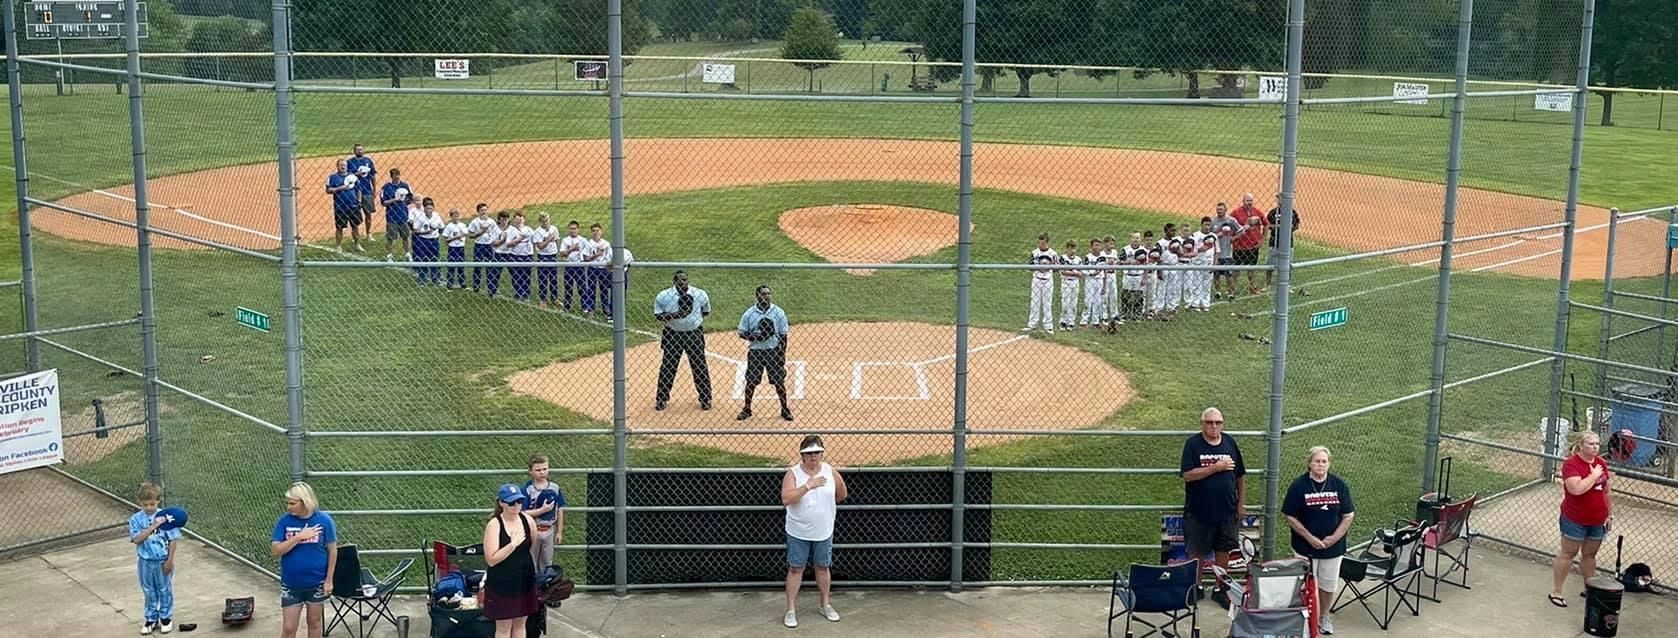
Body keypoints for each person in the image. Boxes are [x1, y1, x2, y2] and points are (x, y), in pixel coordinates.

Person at [1283, 446, 1354, 636]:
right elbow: (1290, 516)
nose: (1321, 465)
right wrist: (1310, 538)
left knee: (1328, 584)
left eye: (1324, 461)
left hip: (1333, 548)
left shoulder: (1339, 485)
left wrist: (1333, 538)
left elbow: (1348, 515)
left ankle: (1324, 617)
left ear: (1329, 464)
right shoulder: (1299, 486)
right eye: (1317, 461)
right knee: (1304, 584)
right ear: (1309, 464)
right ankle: (1305, 618)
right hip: (1305, 547)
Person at [1180, 407, 1246, 609]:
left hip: (1227, 510)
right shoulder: (1193, 444)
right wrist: (1214, 468)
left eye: (1218, 422)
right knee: (1196, 551)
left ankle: (1220, 589)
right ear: (1202, 424)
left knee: (1224, 549)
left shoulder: (1230, 443)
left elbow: (1240, 475)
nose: (1214, 426)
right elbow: (1188, 474)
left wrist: (1241, 503)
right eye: (1210, 422)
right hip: (1198, 510)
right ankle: (1196, 586)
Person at [781, 435, 848, 628]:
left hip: (824, 531)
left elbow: (842, 494)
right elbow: (786, 499)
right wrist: (807, 487)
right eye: (809, 453)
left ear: (822, 453)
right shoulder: (793, 474)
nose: (813, 457)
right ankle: (791, 609)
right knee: (795, 569)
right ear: (802, 455)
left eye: (817, 452)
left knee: (822, 567)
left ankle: (825, 604)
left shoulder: (830, 471)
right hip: (798, 531)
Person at [1550, 430, 1612, 608]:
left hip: (1597, 520)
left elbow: (1607, 491)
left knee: (1590, 555)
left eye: (1597, 444)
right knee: (1568, 554)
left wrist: (1609, 514)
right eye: (1591, 444)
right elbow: (1576, 489)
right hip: (1575, 519)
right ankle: (1557, 591)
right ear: (1581, 445)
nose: (1595, 447)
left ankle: (1589, 587)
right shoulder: (1571, 465)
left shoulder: (1601, 463)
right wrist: (1593, 476)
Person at [271, 482, 337, 638]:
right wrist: (299, 537)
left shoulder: (324, 520)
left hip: (317, 583)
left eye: (292, 503)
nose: (288, 507)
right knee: (289, 628)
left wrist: (329, 580)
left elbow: (332, 551)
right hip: (292, 584)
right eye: (287, 503)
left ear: (305, 501)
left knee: (314, 623)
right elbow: (275, 550)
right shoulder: (284, 522)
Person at [483, 484, 540, 637]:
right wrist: (512, 545)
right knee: (504, 627)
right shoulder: (494, 525)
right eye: (511, 503)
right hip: (502, 583)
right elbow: (491, 559)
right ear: (501, 503)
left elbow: (531, 545)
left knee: (521, 624)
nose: (516, 506)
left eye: (519, 502)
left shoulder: (527, 520)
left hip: (524, 579)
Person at [652, 271, 713, 411]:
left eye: (685, 280)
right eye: (679, 280)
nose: (683, 282)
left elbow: (705, 311)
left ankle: (706, 398)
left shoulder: (699, 294)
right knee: (668, 366)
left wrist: (691, 321)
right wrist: (677, 315)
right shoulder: (663, 296)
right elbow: (658, 316)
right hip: (672, 334)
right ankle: (661, 398)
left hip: (694, 334)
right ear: (674, 281)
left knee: (699, 366)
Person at [130, 481, 181, 635]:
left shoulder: (166, 518)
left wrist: (169, 560)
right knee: (148, 590)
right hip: (145, 561)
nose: (149, 508)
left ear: (158, 501)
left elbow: (173, 540)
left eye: (152, 504)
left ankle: (166, 617)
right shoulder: (136, 519)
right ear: (140, 503)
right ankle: (151, 618)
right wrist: (152, 527)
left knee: (164, 588)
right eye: (145, 505)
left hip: (162, 560)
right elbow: (137, 539)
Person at [737, 285, 794, 421]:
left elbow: (783, 335)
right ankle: (747, 408)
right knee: (751, 381)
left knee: (779, 382)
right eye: (763, 294)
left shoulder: (778, 312)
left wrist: (782, 354)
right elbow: (741, 332)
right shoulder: (749, 313)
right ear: (757, 295)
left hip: (773, 351)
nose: (766, 296)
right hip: (755, 352)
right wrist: (756, 337)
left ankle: (785, 409)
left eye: (768, 293)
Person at [521, 454, 567, 569]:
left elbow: (560, 509)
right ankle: (532, 586)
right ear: (530, 471)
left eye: (545, 469)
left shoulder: (554, 488)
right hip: (533, 529)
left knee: (547, 562)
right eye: (538, 470)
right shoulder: (527, 489)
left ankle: (545, 585)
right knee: (531, 562)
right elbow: (523, 512)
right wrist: (542, 510)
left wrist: (559, 531)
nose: (542, 472)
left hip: (549, 529)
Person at [1231, 193, 1268, 295]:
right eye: (1247, 201)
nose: (1249, 203)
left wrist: (1262, 240)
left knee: (1252, 269)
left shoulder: (1257, 212)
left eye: (1251, 201)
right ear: (1243, 201)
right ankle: (1232, 289)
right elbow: (1230, 225)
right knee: (1236, 270)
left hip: (1253, 246)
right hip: (1239, 246)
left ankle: (1253, 288)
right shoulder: (1236, 213)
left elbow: (1266, 224)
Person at [326, 159, 364, 253]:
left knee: (355, 226)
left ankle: (357, 244)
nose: (343, 167)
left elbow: (358, 189)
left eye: (344, 165)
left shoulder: (353, 177)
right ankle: (338, 246)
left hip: (353, 206)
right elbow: (328, 190)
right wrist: (340, 188)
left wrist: (359, 201)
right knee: (339, 227)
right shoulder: (332, 177)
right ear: (337, 166)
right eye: (341, 165)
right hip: (340, 207)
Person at [1265, 198, 1302, 290]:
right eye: (1280, 200)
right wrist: (1279, 227)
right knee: (1270, 265)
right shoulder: (1273, 212)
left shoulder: (1292, 212)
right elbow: (1267, 225)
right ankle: (1268, 285)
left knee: (1288, 265)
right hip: (1274, 242)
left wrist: (1290, 228)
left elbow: (1297, 225)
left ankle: (1287, 285)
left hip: (1288, 243)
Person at [1025, 233, 1057, 334]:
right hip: (1036, 279)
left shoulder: (1053, 254)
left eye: (1042, 243)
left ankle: (1048, 326)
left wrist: (1047, 268)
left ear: (1047, 242)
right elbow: (1030, 266)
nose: (1040, 245)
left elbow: (1057, 268)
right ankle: (1032, 324)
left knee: (1047, 303)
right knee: (1034, 302)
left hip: (1048, 280)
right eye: (1039, 243)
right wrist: (1039, 267)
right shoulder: (1035, 252)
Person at [379, 168, 413, 262]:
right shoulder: (386, 187)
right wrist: (395, 199)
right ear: (391, 176)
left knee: (406, 236)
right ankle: (389, 255)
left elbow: (410, 198)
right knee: (390, 238)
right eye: (395, 175)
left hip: (403, 215)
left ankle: (408, 254)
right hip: (391, 216)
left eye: (398, 175)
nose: (397, 177)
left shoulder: (405, 185)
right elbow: (383, 202)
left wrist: (404, 202)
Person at [409, 196, 443, 286]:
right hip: (423, 241)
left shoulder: (436, 215)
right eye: (427, 208)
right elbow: (415, 230)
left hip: (434, 241)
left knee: (435, 259)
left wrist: (437, 233)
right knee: (423, 259)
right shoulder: (420, 217)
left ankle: (436, 279)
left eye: (431, 208)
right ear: (424, 209)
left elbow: (441, 227)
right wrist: (426, 232)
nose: (429, 210)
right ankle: (422, 280)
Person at [1210, 203, 1241, 300]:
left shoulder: (1231, 221)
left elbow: (1241, 230)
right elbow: (1209, 234)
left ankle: (1230, 293)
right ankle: (1218, 292)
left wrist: (1233, 238)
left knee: (1229, 275)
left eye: (1221, 209)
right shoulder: (1213, 221)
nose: (1219, 211)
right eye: (1218, 209)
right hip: (1216, 253)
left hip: (1227, 253)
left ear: (1225, 210)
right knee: (1216, 274)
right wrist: (1216, 235)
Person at [346, 144, 377, 240]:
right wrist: (357, 174)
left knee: (368, 213)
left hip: (367, 190)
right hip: (354, 192)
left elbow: (372, 176)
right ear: (354, 151)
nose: (360, 151)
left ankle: (368, 234)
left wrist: (374, 189)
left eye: (361, 149)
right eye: (358, 150)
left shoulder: (368, 161)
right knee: (355, 214)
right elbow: (347, 176)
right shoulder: (350, 162)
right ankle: (355, 235)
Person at [532, 213, 562, 307]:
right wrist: (549, 239)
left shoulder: (554, 229)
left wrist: (557, 251)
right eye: (543, 221)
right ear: (540, 221)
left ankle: (554, 298)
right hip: (542, 256)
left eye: (547, 220)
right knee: (543, 279)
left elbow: (557, 240)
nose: (546, 223)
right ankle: (543, 299)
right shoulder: (537, 232)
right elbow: (540, 246)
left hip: (552, 256)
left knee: (553, 279)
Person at [468, 203, 499, 292]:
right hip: (479, 245)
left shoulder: (491, 222)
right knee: (477, 266)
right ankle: (476, 285)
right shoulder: (475, 222)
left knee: (490, 267)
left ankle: (490, 287)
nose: (484, 212)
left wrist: (493, 240)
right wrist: (480, 232)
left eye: (485, 210)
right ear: (478, 212)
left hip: (489, 245)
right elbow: (470, 235)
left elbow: (496, 233)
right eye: (482, 210)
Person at [585, 224, 613, 318]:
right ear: (591, 232)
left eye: (598, 230)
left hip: (603, 269)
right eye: (593, 230)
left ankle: (605, 309)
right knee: (591, 289)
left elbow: (610, 258)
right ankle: (591, 309)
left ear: (601, 231)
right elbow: (586, 258)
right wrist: (597, 255)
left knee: (604, 289)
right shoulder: (588, 243)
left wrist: (609, 269)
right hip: (592, 268)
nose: (596, 232)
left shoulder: (606, 244)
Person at [559, 221, 587, 312]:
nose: (573, 231)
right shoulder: (565, 240)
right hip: (569, 265)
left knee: (582, 287)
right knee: (568, 287)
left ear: (578, 229)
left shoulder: (583, 240)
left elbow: (589, 250)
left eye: (574, 229)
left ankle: (585, 306)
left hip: (579, 265)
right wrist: (572, 249)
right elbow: (562, 254)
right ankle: (567, 306)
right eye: (571, 228)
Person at [507, 212, 535, 302]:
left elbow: (534, 241)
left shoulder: (529, 230)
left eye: (521, 218)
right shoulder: (511, 230)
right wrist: (518, 240)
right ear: (514, 220)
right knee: (516, 275)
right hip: (514, 255)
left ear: (524, 219)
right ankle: (518, 293)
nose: (519, 220)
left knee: (526, 275)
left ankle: (526, 294)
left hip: (527, 255)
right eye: (517, 218)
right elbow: (508, 244)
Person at [1059, 240, 1084, 331]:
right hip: (1066, 282)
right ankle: (1063, 321)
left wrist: (1073, 273)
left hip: (1075, 283)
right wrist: (1075, 273)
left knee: (1073, 303)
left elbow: (1081, 274)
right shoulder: (1062, 258)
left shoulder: (1078, 259)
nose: (1073, 251)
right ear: (1067, 248)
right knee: (1065, 303)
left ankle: (1071, 322)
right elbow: (1063, 271)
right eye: (1071, 248)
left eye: (1074, 248)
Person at [487, 211, 514, 298]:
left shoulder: (513, 229)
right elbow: (494, 243)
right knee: (495, 273)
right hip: (498, 253)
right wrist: (503, 240)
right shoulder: (494, 230)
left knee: (514, 273)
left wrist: (510, 243)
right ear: (498, 220)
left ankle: (519, 293)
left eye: (506, 219)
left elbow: (516, 240)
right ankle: (492, 292)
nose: (504, 221)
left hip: (510, 254)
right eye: (502, 219)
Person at [442, 208, 469, 289]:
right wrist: (456, 237)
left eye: (458, 215)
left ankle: (462, 282)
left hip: (461, 248)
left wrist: (459, 237)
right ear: (451, 216)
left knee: (461, 266)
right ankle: (449, 283)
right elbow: (446, 240)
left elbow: (465, 234)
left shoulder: (463, 225)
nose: (456, 217)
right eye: (454, 215)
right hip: (453, 248)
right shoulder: (449, 226)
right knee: (451, 266)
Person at [1082, 238, 1106, 328]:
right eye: (1095, 245)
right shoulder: (1088, 257)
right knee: (1088, 301)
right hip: (1090, 280)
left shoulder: (1103, 257)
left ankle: (1095, 321)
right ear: (1091, 247)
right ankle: (1084, 320)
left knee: (1098, 301)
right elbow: (1084, 270)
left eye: (1099, 245)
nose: (1097, 247)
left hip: (1099, 280)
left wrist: (1104, 284)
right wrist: (1092, 273)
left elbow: (1104, 271)